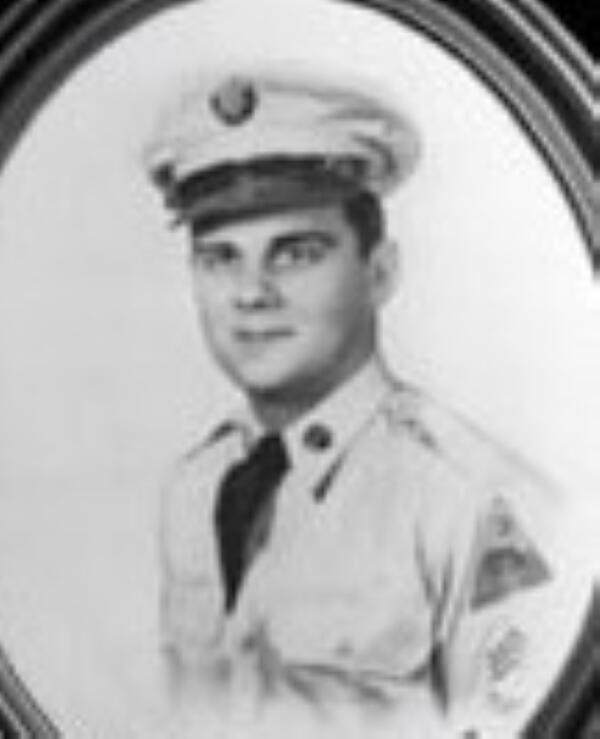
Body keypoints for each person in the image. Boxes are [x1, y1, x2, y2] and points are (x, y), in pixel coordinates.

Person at [143, 70, 578, 737]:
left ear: (379, 273)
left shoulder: (473, 503)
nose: (251, 293)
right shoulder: (195, 487)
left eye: (295, 253)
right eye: (221, 257)